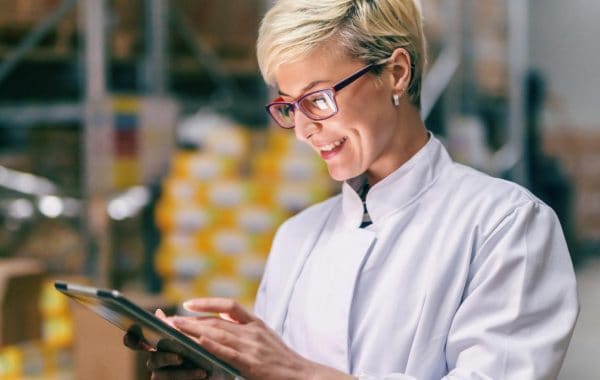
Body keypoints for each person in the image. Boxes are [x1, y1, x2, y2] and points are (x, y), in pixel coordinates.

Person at [126, 0, 578, 378]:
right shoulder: (297, 238)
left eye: (319, 99)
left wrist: (296, 372)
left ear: (396, 73)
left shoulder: (506, 225)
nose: (303, 131)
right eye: (289, 107)